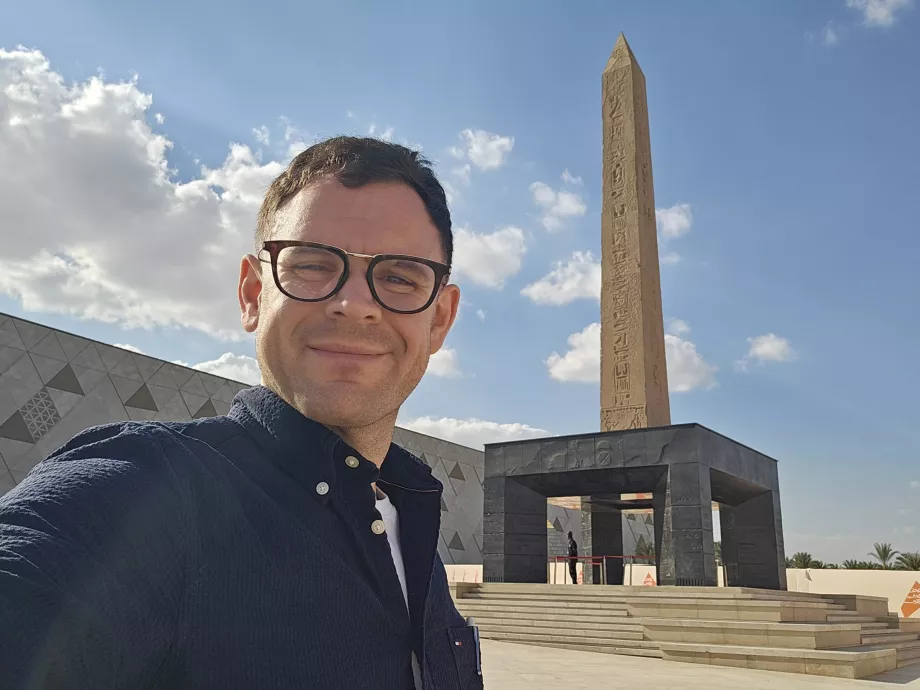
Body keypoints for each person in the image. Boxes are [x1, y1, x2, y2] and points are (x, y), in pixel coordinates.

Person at [0, 137, 484, 689]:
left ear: (439, 320)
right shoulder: (148, 495)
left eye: (399, 277)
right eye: (313, 264)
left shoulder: (413, 530)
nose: (354, 304)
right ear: (253, 294)